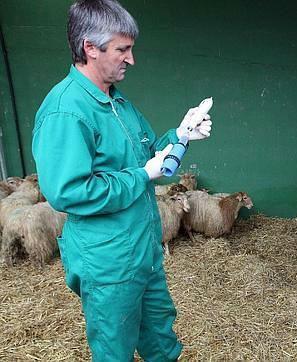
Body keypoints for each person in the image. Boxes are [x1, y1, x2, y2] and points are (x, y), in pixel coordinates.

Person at [31, 0, 212, 360]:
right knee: (114, 350)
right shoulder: (66, 111)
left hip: (143, 249)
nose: (131, 59)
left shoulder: (117, 101)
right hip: (108, 261)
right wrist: (143, 175)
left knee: (162, 338)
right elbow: (70, 192)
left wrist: (181, 135)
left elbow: (149, 159)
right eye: (122, 49)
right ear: (90, 48)